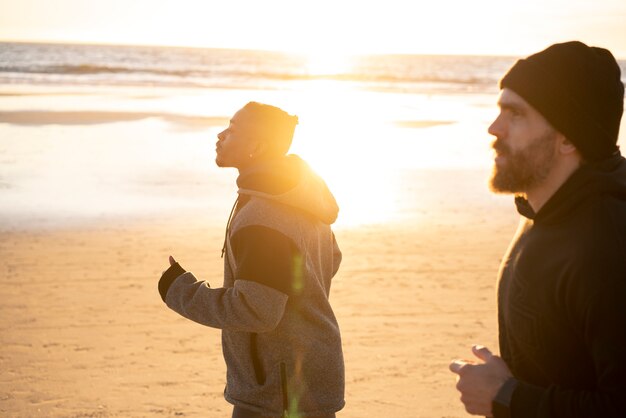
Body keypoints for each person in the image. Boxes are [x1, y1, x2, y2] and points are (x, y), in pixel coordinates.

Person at [449, 41, 626, 417]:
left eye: (515, 114)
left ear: (568, 138)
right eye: (500, 110)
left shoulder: (607, 248)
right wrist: (510, 385)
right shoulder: (541, 211)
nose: (493, 128)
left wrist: (507, 397)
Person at [158, 102, 345, 418]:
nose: (220, 136)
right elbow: (331, 260)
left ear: (256, 147)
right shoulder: (298, 196)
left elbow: (256, 312)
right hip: (306, 373)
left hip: (279, 391)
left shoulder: (263, 217)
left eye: (232, 130)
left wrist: (179, 290)